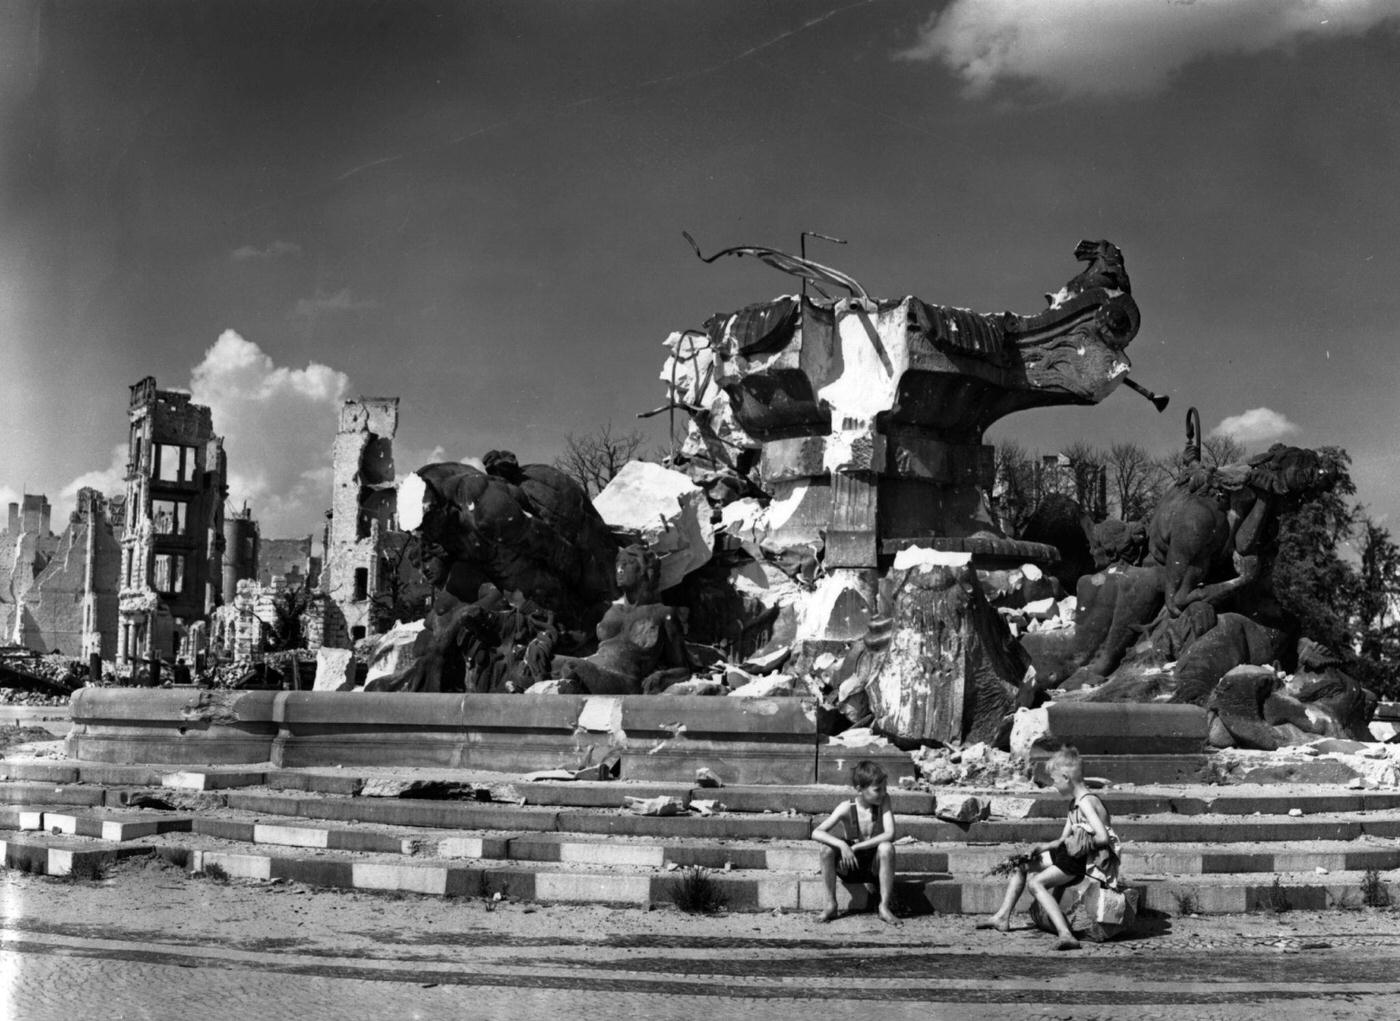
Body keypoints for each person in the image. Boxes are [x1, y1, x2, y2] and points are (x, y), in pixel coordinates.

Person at [977, 745, 1112, 951]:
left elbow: (1103, 837)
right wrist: (1042, 847)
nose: (1054, 785)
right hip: (1067, 854)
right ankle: (1002, 917)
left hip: (1077, 860)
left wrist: (1081, 844)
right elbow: (1061, 840)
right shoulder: (1074, 803)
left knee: (1036, 884)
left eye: (1055, 780)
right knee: (1021, 866)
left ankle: (1065, 934)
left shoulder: (1086, 803)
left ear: (1066, 777)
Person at [811, 759, 900, 926]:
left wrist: (857, 846)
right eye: (877, 790)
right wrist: (842, 845)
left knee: (887, 847)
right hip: (850, 866)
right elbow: (816, 832)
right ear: (860, 789)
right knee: (826, 850)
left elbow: (890, 833)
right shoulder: (846, 807)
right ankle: (830, 904)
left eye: (885, 789)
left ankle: (884, 907)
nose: (883, 793)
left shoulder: (884, 801)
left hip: (874, 866)